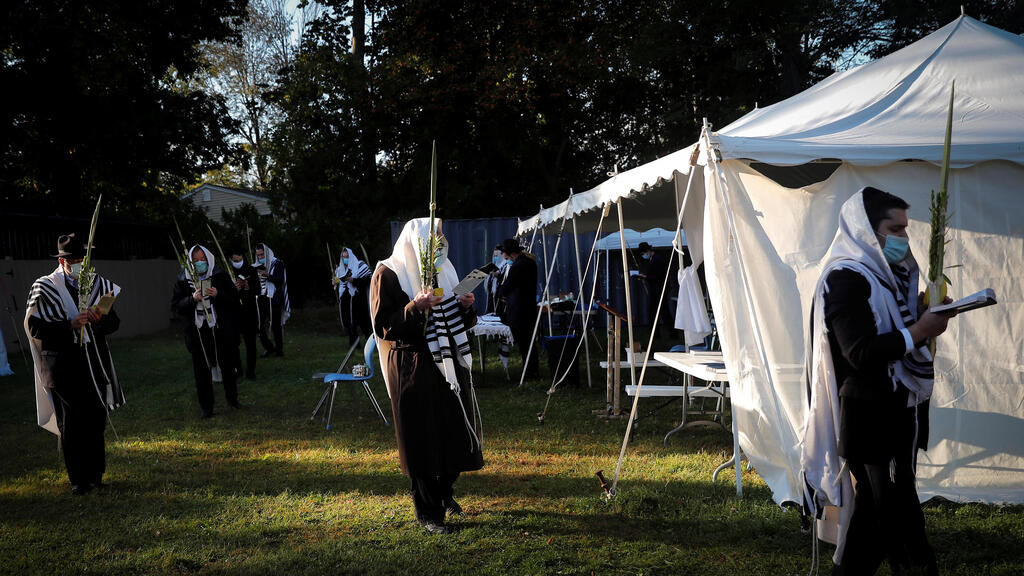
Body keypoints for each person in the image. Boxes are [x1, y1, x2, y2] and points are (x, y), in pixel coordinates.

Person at [801, 187, 954, 576]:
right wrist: (919, 330)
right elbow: (861, 352)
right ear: (866, 229)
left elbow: (890, 332)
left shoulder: (883, 277)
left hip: (893, 410)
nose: (903, 238)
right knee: (894, 511)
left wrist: (920, 319)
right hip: (871, 414)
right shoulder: (847, 277)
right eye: (895, 228)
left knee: (878, 510)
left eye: (905, 229)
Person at [370, 218, 484, 535]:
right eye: (431, 238)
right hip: (412, 364)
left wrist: (465, 306)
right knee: (422, 439)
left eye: (439, 237)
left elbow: (460, 320)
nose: (437, 243)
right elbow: (385, 326)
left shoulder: (444, 270)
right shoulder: (388, 273)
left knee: (454, 430)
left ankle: (444, 491)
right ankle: (428, 512)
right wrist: (415, 306)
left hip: (446, 362)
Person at [25, 233, 125, 495]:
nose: (78, 263)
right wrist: (69, 324)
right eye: (73, 259)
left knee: (95, 417)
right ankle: (78, 479)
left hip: (93, 362)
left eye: (82, 258)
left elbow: (113, 322)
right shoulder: (44, 286)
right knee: (72, 421)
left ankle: (96, 474)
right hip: (62, 364)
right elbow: (34, 326)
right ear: (61, 260)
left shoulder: (99, 285)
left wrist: (97, 320)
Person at [172, 245, 241, 418]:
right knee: (201, 369)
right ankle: (206, 407)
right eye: (195, 261)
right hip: (197, 331)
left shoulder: (219, 275)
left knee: (226, 364)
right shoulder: (183, 280)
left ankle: (232, 399)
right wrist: (192, 299)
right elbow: (175, 307)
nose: (199, 263)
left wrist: (218, 294)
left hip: (219, 328)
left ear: (208, 258)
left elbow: (234, 300)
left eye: (202, 259)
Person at [497, 238, 539, 379]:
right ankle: (532, 369)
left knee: (524, 343)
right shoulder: (530, 263)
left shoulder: (518, 266)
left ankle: (529, 372)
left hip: (520, 310)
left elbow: (508, 285)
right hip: (529, 307)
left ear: (508, 253)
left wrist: (501, 293)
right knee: (530, 342)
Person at [255, 243, 290, 357]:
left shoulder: (277, 263)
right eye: (258, 255)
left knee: (276, 325)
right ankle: (269, 348)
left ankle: (279, 350)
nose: (260, 257)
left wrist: (268, 275)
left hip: (274, 298)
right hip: (261, 298)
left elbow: (280, 280)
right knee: (258, 325)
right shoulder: (256, 265)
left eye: (262, 255)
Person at [229, 249, 259, 380]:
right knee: (234, 343)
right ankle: (237, 369)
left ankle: (251, 371)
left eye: (239, 260)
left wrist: (247, 287)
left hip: (249, 312)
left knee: (250, 343)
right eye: (235, 261)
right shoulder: (227, 271)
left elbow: (258, 289)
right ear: (230, 260)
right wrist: (234, 290)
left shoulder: (251, 270)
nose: (237, 263)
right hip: (234, 312)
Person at [334, 247, 373, 344]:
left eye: (347, 257)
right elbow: (340, 282)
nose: (345, 259)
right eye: (343, 258)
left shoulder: (360, 265)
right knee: (350, 322)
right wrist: (335, 282)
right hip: (347, 300)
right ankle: (354, 343)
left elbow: (369, 280)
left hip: (359, 298)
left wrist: (354, 281)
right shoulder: (340, 269)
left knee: (364, 322)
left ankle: (371, 342)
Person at [636, 241, 670, 338]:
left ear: (647, 251)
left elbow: (657, 276)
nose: (643, 256)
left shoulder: (657, 260)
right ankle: (662, 333)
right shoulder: (654, 259)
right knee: (662, 312)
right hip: (657, 289)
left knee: (658, 312)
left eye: (643, 253)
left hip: (658, 290)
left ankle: (658, 334)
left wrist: (645, 277)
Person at [485, 244, 509, 314]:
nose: (495, 258)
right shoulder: (493, 266)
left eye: (497, 256)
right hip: (492, 299)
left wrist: (498, 275)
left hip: (500, 301)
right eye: (494, 256)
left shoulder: (505, 266)